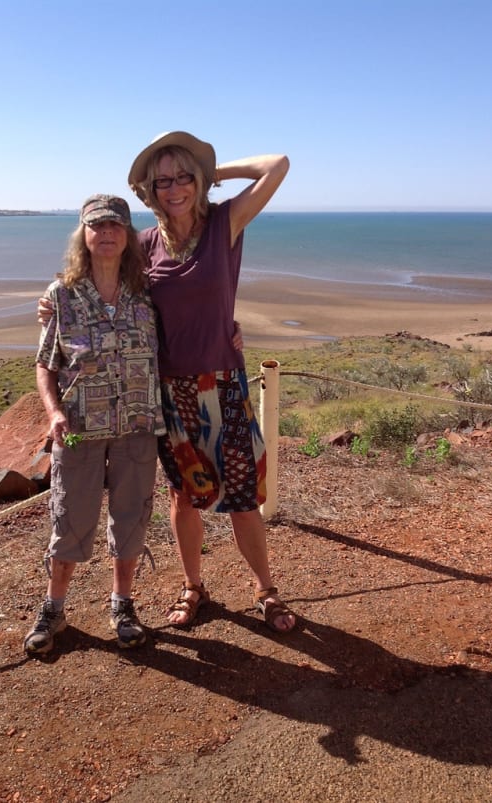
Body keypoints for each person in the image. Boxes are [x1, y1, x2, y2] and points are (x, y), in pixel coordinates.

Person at [127, 131, 296, 633]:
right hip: (170, 391)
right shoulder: (142, 246)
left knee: (242, 498)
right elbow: (102, 286)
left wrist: (213, 174)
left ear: (197, 182)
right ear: (151, 191)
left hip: (223, 383)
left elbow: (278, 164)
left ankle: (266, 589)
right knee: (182, 497)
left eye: (183, 177)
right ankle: (193, 587)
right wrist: (55, 303)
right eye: (163, 180)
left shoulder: (225, 222)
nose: (174, 188)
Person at [24, 194, 165, 656]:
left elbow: (191, 323)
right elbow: (45, 364)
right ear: (83, 236)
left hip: (136, 427)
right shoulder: (61, 296)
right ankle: (54, 608)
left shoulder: (148, 293)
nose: (106, 234)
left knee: (131, 518)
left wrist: (233, 326)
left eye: (116, 227)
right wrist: (54, 412)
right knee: (69, 519)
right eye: (96, 226)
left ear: (128, 237)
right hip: (80, 429)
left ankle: (122, 605)